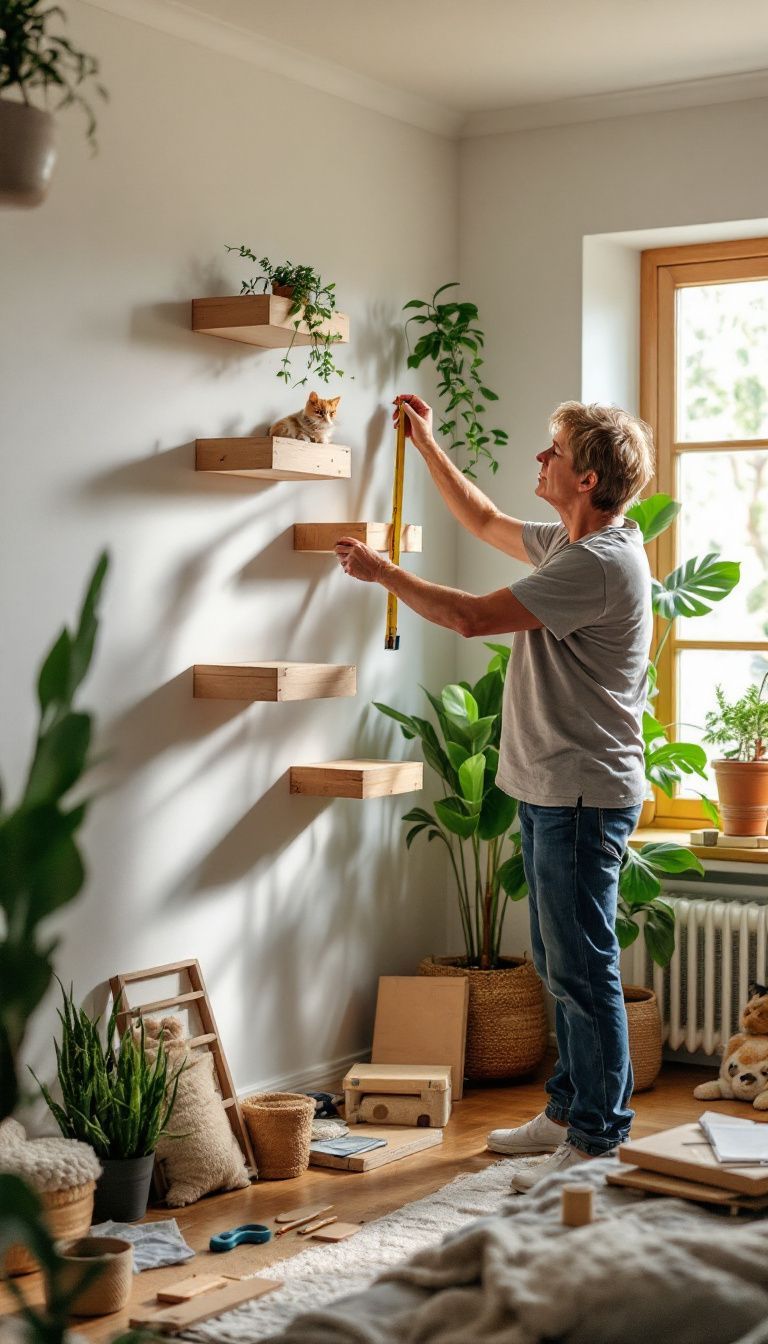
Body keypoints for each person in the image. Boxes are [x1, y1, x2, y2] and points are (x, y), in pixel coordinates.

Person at [335, 393, 654, 1190]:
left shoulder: (598, 563)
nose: (538, 462)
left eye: (552, 453)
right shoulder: (573, 543)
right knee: (556, 957)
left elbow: (476, 618)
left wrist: (382, 572)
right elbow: (480, 520)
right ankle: (568, 1111)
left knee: (582, 967)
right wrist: (429, 443)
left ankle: (599, 1136)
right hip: (555, 787)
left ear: (585, 477)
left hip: (583, 794)